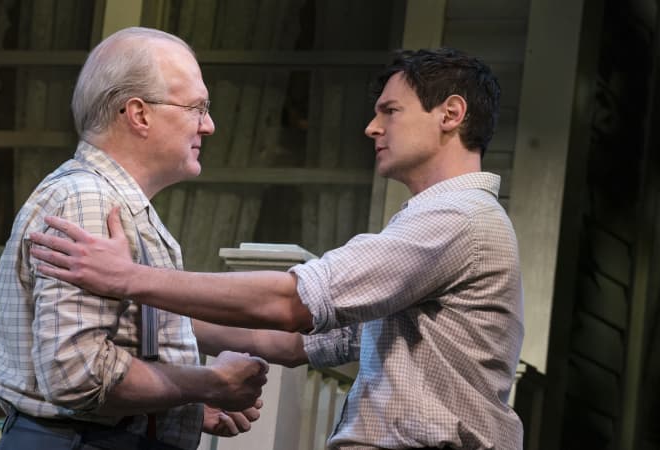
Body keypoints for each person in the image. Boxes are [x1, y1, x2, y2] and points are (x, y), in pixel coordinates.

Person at [29, 48, 525, 450]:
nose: (372, 128)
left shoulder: (457, 219)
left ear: (451, 114)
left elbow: (290, 305)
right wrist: (151, 315)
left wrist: (128, 279)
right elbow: (291, 342)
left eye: (389, 111)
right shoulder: (434, 223)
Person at [0, 27, 271, 450]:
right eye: (197, 108)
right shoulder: (89, 200)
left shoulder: (112, 201)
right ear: (139, 115)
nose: (208, 125)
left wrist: (176, 405)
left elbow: (122, 343)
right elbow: (77, 375)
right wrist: (208, 383)